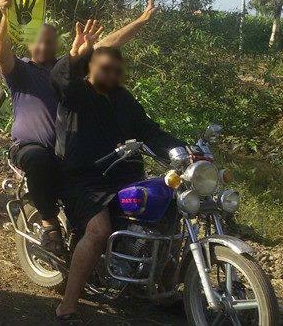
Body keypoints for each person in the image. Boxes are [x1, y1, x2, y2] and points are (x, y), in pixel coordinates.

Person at [0, 0, 157, 254]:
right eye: (37, 41)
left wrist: (141, 20)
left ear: (57, 44)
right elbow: (1, 56)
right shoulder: (21, 71)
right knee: (39, 159)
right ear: (28, 43)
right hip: (30, 147)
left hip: (69, 152)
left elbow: (107, 44)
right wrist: (4, 17)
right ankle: (49, 223)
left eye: (49, 41)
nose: (43, 46)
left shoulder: (66, 69)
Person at [50, 20, 183, 324]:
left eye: (114, 69)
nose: (109, 74)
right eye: (103, 68)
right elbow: (60, 81)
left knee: (169, 215)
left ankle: (165, 290)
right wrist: (74, 56)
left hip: (124, 178)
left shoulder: (124, 100)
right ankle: (66, 307)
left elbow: (150, 131)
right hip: (85, 180)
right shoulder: (77, 93)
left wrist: (185, 151)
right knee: (98, 232)